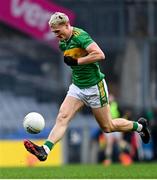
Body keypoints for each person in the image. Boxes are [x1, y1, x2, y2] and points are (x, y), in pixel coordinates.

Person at [24, 12, 150, 161]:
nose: (56, 35)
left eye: (58, 31)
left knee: (107, 127)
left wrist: (77, 62)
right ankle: (45, 150)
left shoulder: (80, 36)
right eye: (54, 33)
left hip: (95, 87)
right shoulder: (62, 42)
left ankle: (140, 127)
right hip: (77, 87)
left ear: (67, 25)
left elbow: (99, 54)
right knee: (62, 117)